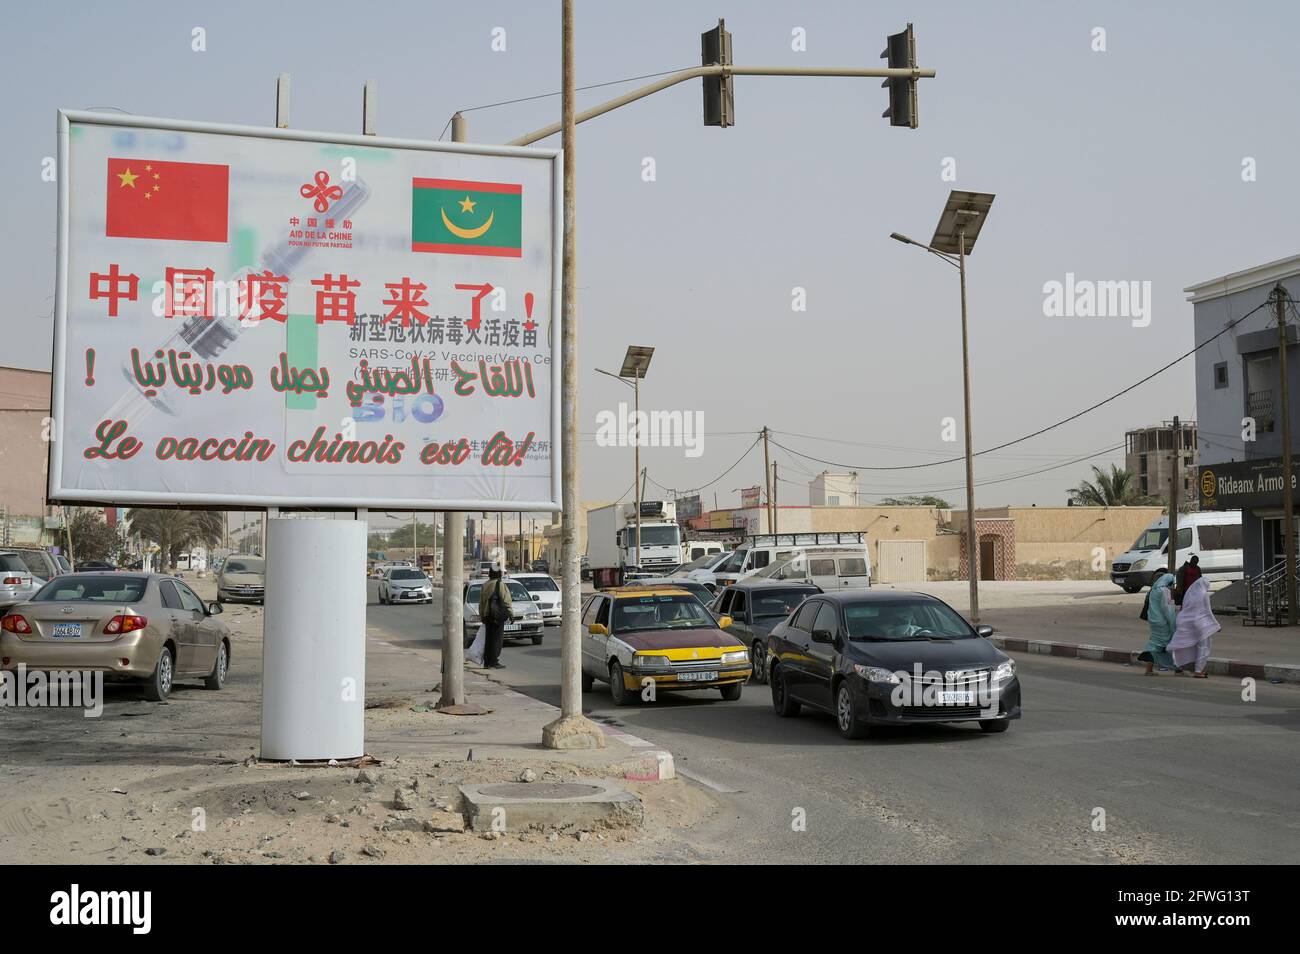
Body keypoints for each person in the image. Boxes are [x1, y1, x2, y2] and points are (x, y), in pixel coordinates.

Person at [1167, 576, 1219, 678]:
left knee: (1195, 645)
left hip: (1190, 623)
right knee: (1204, 647)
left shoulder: (1190, 594)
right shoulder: (1204, 595)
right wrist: (1216, 624)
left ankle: (1194, 668)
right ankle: (1198, 671)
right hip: (1201, 625)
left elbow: (1185, 608)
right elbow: (1208, 611)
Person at [1139, 572, 1179, 676]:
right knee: (1162, 645)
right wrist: (1173, 623)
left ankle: (1151, 668)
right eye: (1172, 584)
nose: (1172, 586)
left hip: (1153, 620)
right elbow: (1167, 609)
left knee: (1155, 644)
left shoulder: (1153, 590)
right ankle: (1178, 668)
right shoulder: (1164, 591)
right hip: (1162, 622)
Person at [478, 568, 512, 669]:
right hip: (497, 616)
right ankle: (494, 661)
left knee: (488, 639)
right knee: (497, 640)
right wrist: (511, 614)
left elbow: (481, 602)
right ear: (499, 575)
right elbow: (506, 601)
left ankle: (487, 662)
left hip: (487, 616)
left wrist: (482, 615)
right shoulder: (500, 584)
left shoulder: (485, 585)